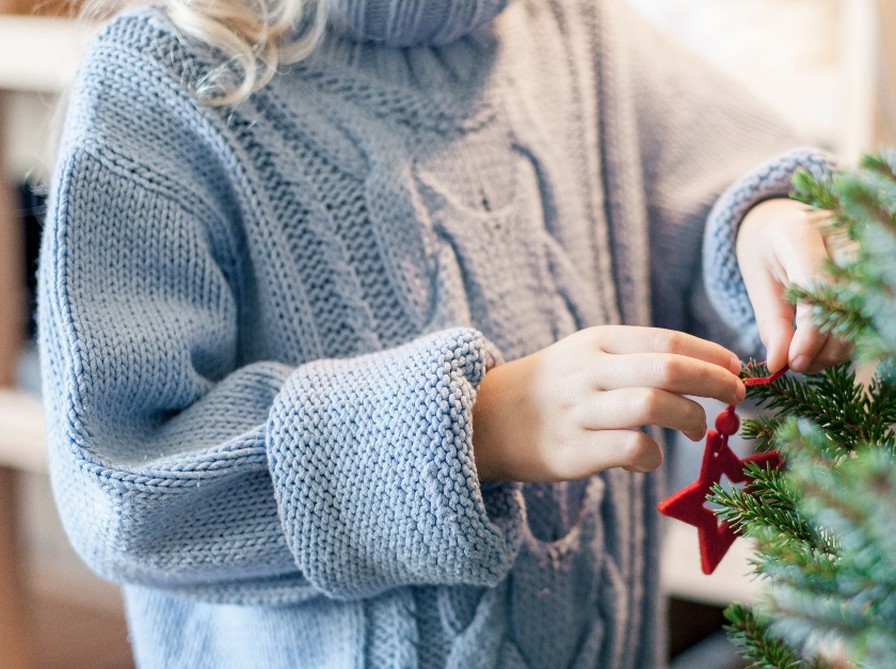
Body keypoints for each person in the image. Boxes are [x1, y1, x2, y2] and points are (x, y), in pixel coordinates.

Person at [37, 0, 850, 666]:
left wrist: (762, 220)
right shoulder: (159, 82)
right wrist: (473, 426)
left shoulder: (576, 33)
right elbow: (124, 484)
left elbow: (724, 178)